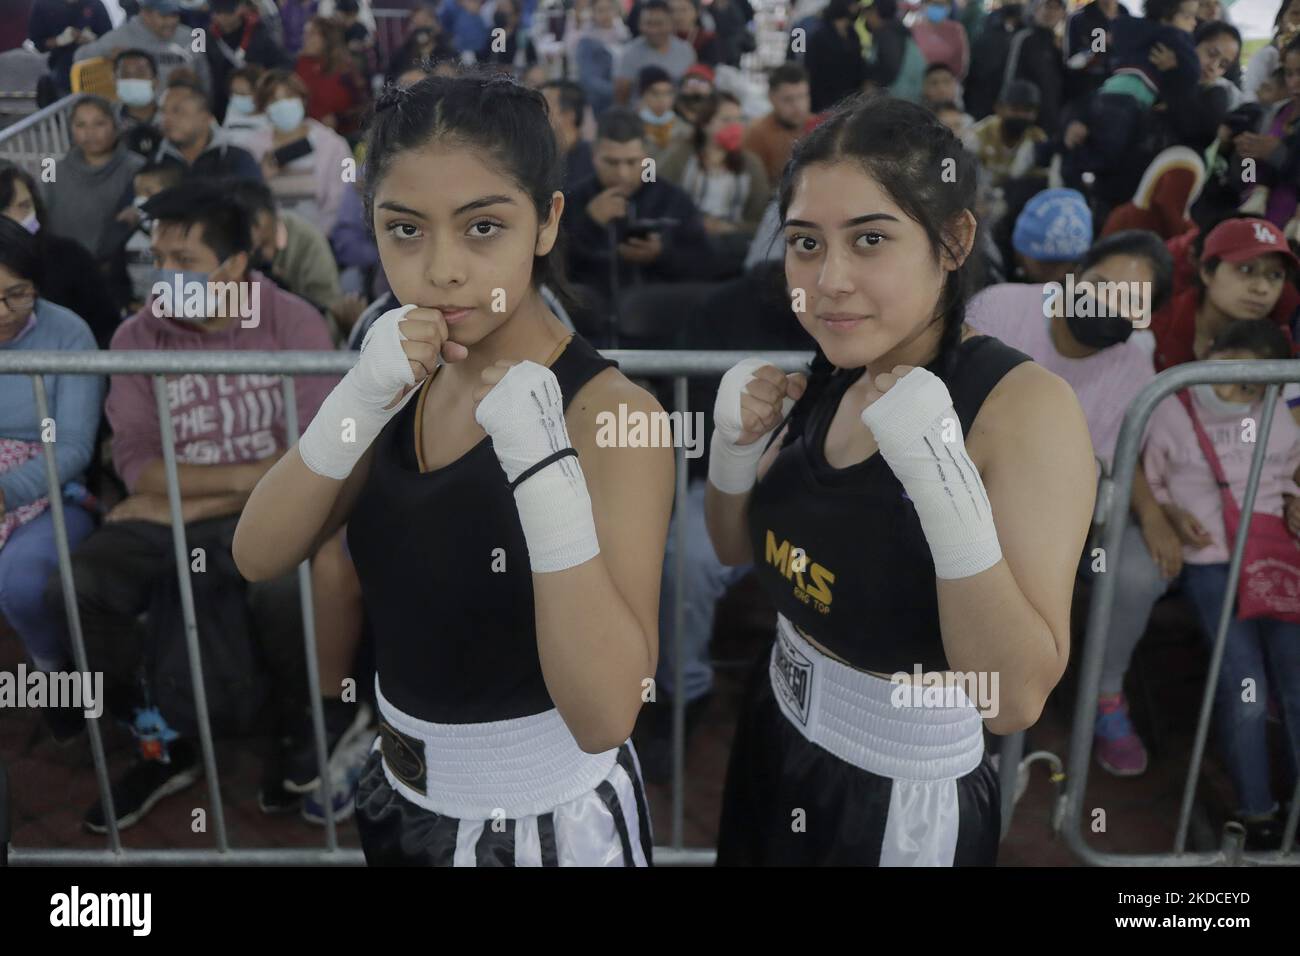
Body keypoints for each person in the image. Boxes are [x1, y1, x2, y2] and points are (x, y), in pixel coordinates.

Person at [233, 74, 673, 866]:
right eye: (405, 230)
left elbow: (609, 713)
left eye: (482, 228)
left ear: (546, 221)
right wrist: (357, 399)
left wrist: (543, 471)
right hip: (400, 796)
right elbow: (258, 553)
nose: (441, 270)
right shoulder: (399, 374)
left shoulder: (611, 416)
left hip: (546, 826)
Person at [707, 96, 1094, 865]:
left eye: (871, 239)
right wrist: (731, 453)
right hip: (776, 725)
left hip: (899, 796)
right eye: (805, 243)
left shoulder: (1023, 410)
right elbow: (734, 550)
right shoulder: (833, 370)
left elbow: (1012, 700)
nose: (830, 280)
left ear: (952, 241)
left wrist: (943, 484)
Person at [64, 181, 338, 833]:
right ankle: (161, 740)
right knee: (80, 586)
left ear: (236, 265)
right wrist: (184, 499)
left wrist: (175, 503)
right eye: (158, 258)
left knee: (284, 588)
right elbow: (137, 466)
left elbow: (312, 458)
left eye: (183, 262)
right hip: (179, 511)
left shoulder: (291, 322)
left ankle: (300, 726)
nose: (165, 276)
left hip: (267, 513)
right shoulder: (137, 335)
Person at [967, 230, 1181, 776]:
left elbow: (1098, 470)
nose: (1108, 304)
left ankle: (1007, 729)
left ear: (1145, 320)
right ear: (1073, 275)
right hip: (954, 487)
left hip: (1045, 520)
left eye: (1131, 301)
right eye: (1102, 285)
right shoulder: (1000, 309)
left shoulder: (1132, 372)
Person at [1144, 318, 1300, 850]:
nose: (1239, 394)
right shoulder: (1171, 406)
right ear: (1211, 353)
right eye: (1234, 378)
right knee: (1244, 687)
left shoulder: (1277, 411)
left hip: (1274, 558)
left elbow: (1293, 471)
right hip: (1211, 560)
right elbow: (1151, 478)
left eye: (1254, 387)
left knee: (1296, 683)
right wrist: (1167, 513)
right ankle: (1257, 814)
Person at [0, 217, 105, 741]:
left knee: (22, 582)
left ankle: (51, 670)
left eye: (16, 295)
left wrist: (6, 491)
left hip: (47, 492)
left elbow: (74, 448)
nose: (2, 313)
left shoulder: (68, 333)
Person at [562, 106, 712, 333]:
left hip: (665, 326)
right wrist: (589, 224)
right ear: (594, 156)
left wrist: (663, 254)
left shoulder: (673, 200)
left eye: (632, 162)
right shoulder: (572, 201)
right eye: (611, 162)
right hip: (590, 328)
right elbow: (553, 269)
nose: (622, 173)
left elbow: (706, 265)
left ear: (646, 157)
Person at [0, 165, 120, 347]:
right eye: (4, 209)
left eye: (24, 206)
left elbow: (107, 327)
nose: (3, 312)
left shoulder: (70, 257)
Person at [659, 91, 769, 275]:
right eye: (726, 120)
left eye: (739, 119)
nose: (735, 127)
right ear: (705, 124)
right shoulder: (680, 156)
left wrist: (729, 227)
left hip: (733, 245)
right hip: (686, 239)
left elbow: (760, 220)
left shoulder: (751, 164)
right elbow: (659, 196)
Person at [243, 68, 352, 233]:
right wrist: (259, 176)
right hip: (269, 240)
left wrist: (315, 241)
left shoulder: (332, 145)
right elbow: (245, 201)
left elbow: (341, 201)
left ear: (302, 100)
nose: (283, 105)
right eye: (274, 100)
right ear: (264, 108)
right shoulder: (251, 148)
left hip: (321, 241)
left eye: (289, 97)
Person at [44, 95, 146, 262]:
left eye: (99, 123)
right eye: (80, 125)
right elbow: (38, 216)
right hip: (62, 268)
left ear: (115, 125)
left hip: (117, 270)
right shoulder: (52, 170)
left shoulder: (137, 168)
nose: (90, 133)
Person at [76, 0, 214, 93]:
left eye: (175, 15)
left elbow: (204, 74)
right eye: (164, 16)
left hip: (185, 113)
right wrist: (108, 51)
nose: (171, 22)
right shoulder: (123, 35)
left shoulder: (194, 35)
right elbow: (79, 56)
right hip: (142, 116)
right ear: (145, 13)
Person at [155, 73, 265, 180]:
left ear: (206, 118)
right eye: (163, 111)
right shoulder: (156, 160)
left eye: (177, 111)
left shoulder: (237, 161)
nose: (166, 119)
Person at [205, 0, 292, 122]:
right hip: (222, 106)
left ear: (241, 8)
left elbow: (285, 63)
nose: (223, 17)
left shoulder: (259, 32)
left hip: (257, 103)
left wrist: (264, 81)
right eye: (218, 12)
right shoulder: (208, 37)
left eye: (228, 12)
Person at [962, 78, 1046, 187]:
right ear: (999, 108)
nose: (1021, 115)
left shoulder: (1038, 139)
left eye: (1027, 111)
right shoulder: (978, 134)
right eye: (1015, 109)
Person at [614, 0, 696, 105]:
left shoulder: (686, 51)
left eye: (659, 24)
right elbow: (621, 96)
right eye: (648, 24)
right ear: (640, 24)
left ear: (671, 24)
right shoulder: (629, 54)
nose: (653, 30)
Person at [1005, 0, 1068, 136]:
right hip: (1026, 122)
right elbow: (1011, 79)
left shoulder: (1057, 46)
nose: (1050, 12)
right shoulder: (1024, 39)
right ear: (1035, 10)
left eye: (1056, 8)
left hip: (1051, 124)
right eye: (1046, 6)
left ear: (1062, 13)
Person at [741, 63, 811, 184]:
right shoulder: (757, 134)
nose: (798, 106)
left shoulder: (820, 125)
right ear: (771, 98)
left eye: (802, 96)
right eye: (788, 99)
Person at [294, 15, 364, 137]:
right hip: (305, 134)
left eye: (312, 34)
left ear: (327, 39)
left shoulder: (345, 69)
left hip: (341, 136)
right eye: (305, 33)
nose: (305, 38)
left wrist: (338, 119)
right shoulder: (299, 64)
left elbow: (363, 108)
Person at [27, 0, 113, 95]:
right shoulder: (43, 4)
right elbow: (38, 43)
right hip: (62, 74)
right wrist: (59, 40)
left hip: (95, 74)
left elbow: (109, 41)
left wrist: (93, 40)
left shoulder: (95, 4)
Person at [574, 0, 630, 118]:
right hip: (600, 103)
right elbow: (587, 79)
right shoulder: (587, 41)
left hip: (624, 99)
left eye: (609, 9)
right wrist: (616, 91)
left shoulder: (623, 33)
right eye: (600, 10)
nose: (606, 14)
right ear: (593, 13)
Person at [541, 79, 596, 191]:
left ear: (568, 115)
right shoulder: (538, 158)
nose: (535, 112)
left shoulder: (593, 159)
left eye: (544, 106)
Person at [113, 49, 165, 159]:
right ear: (115, 81)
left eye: (140, 74)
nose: (132, 80)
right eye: (125, 74)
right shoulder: (106, 120)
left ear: (155, 81)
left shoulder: (172, 117)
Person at [912, 0, 969, 79]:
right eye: (935, 4)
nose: (938, 8)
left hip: (945, 84)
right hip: (917, 83)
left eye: (942, 5)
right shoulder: (914, 30)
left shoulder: (956, 30)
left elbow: (961, 64)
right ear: (924, 5)